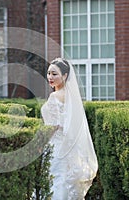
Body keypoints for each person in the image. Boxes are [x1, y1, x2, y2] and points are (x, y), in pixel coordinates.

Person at [41, 58, 98, 199]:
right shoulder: (72, 97)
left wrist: (40, 144)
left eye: (54, 74)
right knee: (64, 183)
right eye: (48, 73)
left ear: (65, 76)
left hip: (56, 147)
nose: (50, 77)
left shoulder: (54, 97)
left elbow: (52, 126)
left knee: (55, 183)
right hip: (70, 149)